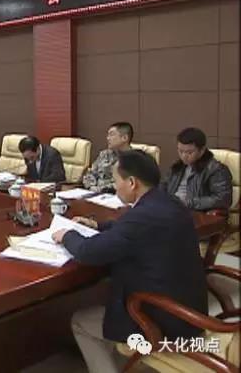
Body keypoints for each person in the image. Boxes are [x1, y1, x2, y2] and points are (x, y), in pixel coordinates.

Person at [52, 150, 207, 373]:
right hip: (190, 311)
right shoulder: (169, 202)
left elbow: (89, 252)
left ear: (132, 182)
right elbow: (133, 229)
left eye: (116, 181)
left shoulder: (141, 217)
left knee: (81, 322)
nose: (114, 187)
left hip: (161, 323)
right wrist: (98, 226)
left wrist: (67, 235)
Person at [162, 127, 232, 211]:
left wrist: (189, 203)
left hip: (194, 212)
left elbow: (223, 199)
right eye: (180, 151)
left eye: (189, 152)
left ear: (202, 150)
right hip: (171, 209)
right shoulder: (177, 167)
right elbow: (162, 187)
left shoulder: (216, 170)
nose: (184, 156)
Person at [83, 122, 133, 192]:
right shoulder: (104, 154)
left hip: (115, 195)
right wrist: (91, 187)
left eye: (112, 135)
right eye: (108, 135)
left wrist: (100, 189)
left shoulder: (134, 159)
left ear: (124, 138)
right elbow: (90, 173)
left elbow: (126, 184)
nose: (108, 138)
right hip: (94, 193)